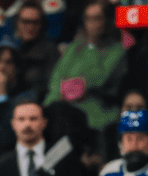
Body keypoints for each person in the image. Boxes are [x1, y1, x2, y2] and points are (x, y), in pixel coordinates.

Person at [42, 0, 127, 134]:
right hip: (64, 112)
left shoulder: (117, 51)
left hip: (97, 117)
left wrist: (92, 45)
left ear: (108, 21)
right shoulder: (74, 48)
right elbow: (56, 79)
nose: (92, 23)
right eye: (88, 18)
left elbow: (97, 79)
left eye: (97, 18)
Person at [0, 101, 85, 176]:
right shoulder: (0, 164)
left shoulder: (63, 156)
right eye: (21, 119)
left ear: (44, 123)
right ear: (13, 124)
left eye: (33, 119)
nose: (27, 125)